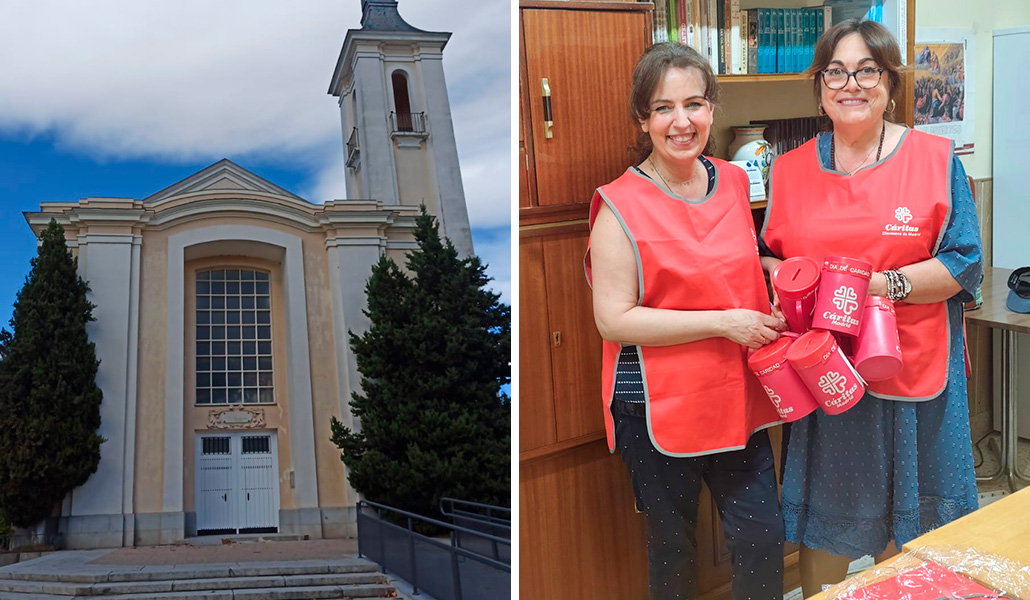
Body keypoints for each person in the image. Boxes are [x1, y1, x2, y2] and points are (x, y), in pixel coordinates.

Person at [760, 19, 983, 596]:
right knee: (828, 521)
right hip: (826, 375)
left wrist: (877, 287)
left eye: (867, 70)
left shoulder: (935, 159)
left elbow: (964, 265)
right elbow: (767, 260)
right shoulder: (788, 171)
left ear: (889, 82)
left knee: (916, 524)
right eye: (836, 71)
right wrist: (791, 288)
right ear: (819, 86)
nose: (850, 83)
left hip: (917, 368)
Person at [585, 42, 787, 600]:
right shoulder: (618, 204)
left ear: (712, 109)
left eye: (694, 104)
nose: (682, 121)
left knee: (763, 537)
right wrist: (725, 322)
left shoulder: (735, 181)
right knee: (673, 552)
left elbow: (737, 264)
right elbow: (614, 319)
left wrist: (773, 276)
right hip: (654, 403)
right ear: (642, 120)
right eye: (663, 108)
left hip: (733, 392)